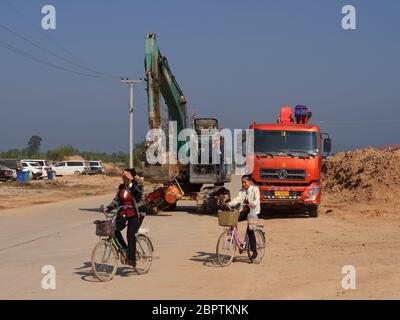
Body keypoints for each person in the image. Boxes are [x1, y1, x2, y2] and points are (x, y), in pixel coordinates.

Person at [106, 168, 145, 267]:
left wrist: (132, 184)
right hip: (123, 212)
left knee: (130, 234)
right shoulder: (121, 187)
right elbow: (117, 200)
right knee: (113, 230)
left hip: (135, 214)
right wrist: (110, 206)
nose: (123, 178)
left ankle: (132, 259)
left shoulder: (137, 186)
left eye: (126, 177)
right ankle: (126, 249)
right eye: (123, 177)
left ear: (131, 177)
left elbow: (140, 196)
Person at [227, 175, 261, 261]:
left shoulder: (255, 189)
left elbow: (257, 199)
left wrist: (253, 203)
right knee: (233, 219)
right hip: (245, 211)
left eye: (245, 182)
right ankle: (237, 241)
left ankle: (254, 251)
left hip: (253, 212)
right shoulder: (242, 191)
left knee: (250, 231)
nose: (244, 184)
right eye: (242, 182)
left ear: (249, 182)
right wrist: (229, 204)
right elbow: (237, 199)